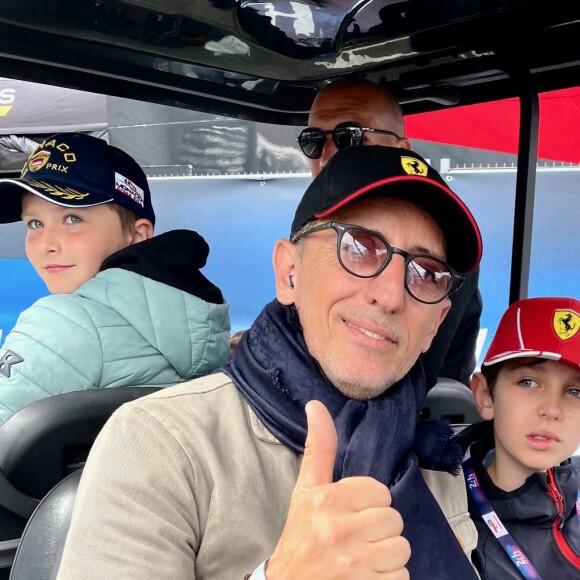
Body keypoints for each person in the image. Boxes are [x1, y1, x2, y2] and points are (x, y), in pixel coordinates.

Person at [57, 145, 482, 579]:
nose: (391, 295)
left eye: (427, 274)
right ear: (289, 273)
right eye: (359, 247)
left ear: (437, 323)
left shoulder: (435, 458)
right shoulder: (161, 443)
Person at [0, 132, 230, 425]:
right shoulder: (205, 318)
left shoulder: (61, 323)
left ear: (136, 235)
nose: (47, 244)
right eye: (35, 223)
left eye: (72, 219)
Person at [298, 77, 483, 388]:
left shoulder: (444, 237)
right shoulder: (313, 223)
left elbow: (388, 378)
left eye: (350, 137)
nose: (326, 156)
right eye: (313, 140)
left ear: (402, 149)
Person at [460, 297, 580, 579]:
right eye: (529, 382)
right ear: (486, 396)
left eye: (575, 391)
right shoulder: (442, 515)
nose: (551, 410)